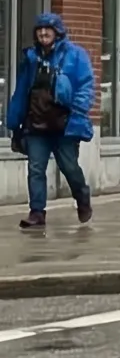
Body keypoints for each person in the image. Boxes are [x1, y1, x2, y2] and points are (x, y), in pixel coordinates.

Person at [8, 14, 95, 229]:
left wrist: (79, 111)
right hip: (36, 125)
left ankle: (82, 197)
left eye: (48, 29)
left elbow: (85, 85)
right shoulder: (30, 58)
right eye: (39, 30)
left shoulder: (75, 55)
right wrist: (13, 121)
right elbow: (21, 91)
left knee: (69, 167)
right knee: (36, 169)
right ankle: (37, 213)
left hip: (64, 125)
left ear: (58, 32)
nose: (43, 33)